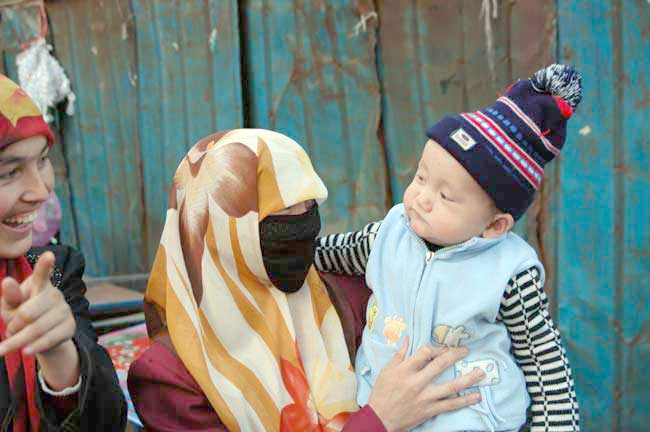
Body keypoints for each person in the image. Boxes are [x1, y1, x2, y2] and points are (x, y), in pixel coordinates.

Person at [128, 128, 486, 432]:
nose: (301, 226)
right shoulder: (171, 377)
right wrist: (380, 420)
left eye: (308, 207)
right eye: (281, 214)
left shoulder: (348, 297)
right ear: (217, 230)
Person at [314, 64, 582, 431]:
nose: (422, 198)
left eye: (445, 196)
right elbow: (334, 253)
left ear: (494, 225)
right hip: (385, 408)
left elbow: (544, 362)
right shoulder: (389, 233)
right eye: (421, 177)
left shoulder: (509, 272)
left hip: (469, 417)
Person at [0, 74, 126, 431]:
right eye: (9, 172)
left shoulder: (52, 274)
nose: (40, 191)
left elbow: (108, 422)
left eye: (42, 160)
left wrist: (59, 355)